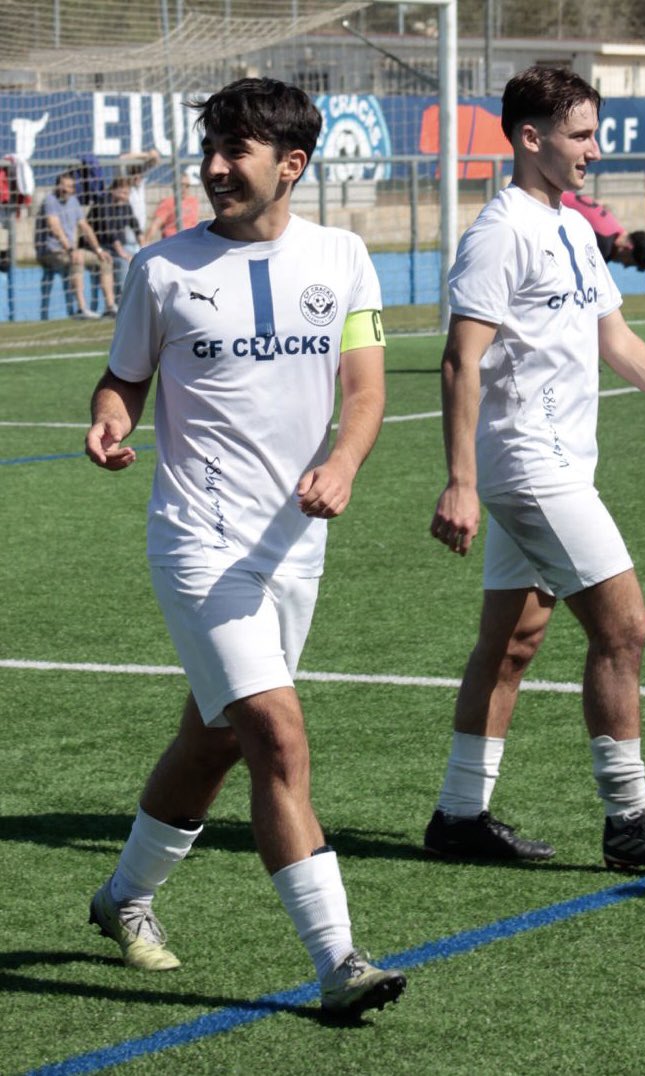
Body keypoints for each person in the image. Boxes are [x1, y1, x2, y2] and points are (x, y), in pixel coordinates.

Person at [85, 77, 405, 1016]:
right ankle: (339, 960)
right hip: (198, 540)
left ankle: (123, 897)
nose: (215, 168)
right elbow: (121, 381)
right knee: (275, 733)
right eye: (211, 150)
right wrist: (108, 422)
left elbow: (365, 392)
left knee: (216, 738)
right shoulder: (161, 268)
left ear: (291, 165)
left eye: (237, 152)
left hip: (293, 547)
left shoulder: (343, 257)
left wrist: (344, 463)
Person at [425, 66, 645, 872]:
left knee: (512, 642)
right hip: (528, 467)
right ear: (529, 138)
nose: (593, 151)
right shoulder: (499, 232)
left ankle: (459, 815)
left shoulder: (571, 228)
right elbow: (458, 361)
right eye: (580, 135)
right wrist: (460, 480)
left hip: (561, 461)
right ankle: (628, 818)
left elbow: (616, 340)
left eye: (594, 134)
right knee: (624, 626)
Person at [34, 170, 113, 320]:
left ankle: (110, 307)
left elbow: (85, 227)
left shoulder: (74, 201)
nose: (66, 190)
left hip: (70, 251)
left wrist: (98, 250)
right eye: (63, 186)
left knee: (105, 260)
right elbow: (55, 227)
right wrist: (70, 249)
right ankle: (82, 309)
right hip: (50, 252)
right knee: (77, 259)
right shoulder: (50, 200)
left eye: (70, 187)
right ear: (57, 186)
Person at [560, 190, 645, 271]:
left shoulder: (611, 226)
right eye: (629, 262)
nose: (624, 266)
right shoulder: (604, 244)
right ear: (628, 248)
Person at [87, 177, 142, 298]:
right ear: (113, 190)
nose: (126, 196)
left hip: (118, 246)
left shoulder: (125, 205)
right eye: (123, 192)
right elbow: (109, 231)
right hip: (101, 246)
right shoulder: (103, 203)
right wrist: (122, 253)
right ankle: (124, 298)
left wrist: (145, 247)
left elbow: (136, 227)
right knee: (124, 262)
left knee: (140, 259)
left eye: (128, 193)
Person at [142, 170, 201, 245]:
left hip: (191, 243)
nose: (184, 188)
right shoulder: (168, 202)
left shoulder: (194, 201)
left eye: (187, 185)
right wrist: (144, 245)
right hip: (172, 244)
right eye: (181, 185)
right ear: (175, 185)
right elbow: (155, 226)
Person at [120, 148, 160, 233]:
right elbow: (122, 159)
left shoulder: (141, 185)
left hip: (139, 236)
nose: (137, 176)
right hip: (127, 236)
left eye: (140, 173)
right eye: (134, 172)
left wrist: (150, 155)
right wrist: (146, 155)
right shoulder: (126, 187)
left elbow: (155, 158)